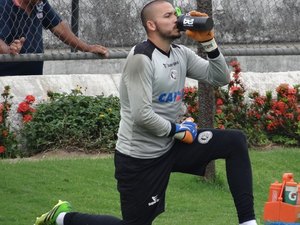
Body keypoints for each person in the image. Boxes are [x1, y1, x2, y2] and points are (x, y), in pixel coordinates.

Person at [33, 1, 258, 225]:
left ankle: (248, 222)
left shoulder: (180, 54)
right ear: (151, 25)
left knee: (234, 141)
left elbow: (221, 78)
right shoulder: (141, 58)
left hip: (170, 145)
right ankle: (62, 217)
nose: (176, 19)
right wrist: (179, 131)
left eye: (176, 14)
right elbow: (142, 116)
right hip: (140, 159)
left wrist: (209, 42)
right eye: (168, 16)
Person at [0, 0, 108, 76]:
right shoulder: (4, 4)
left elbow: (59, 28)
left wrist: (87, 48)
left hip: (33, 77)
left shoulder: (39, 3)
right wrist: (8, 51)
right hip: (7, 79)